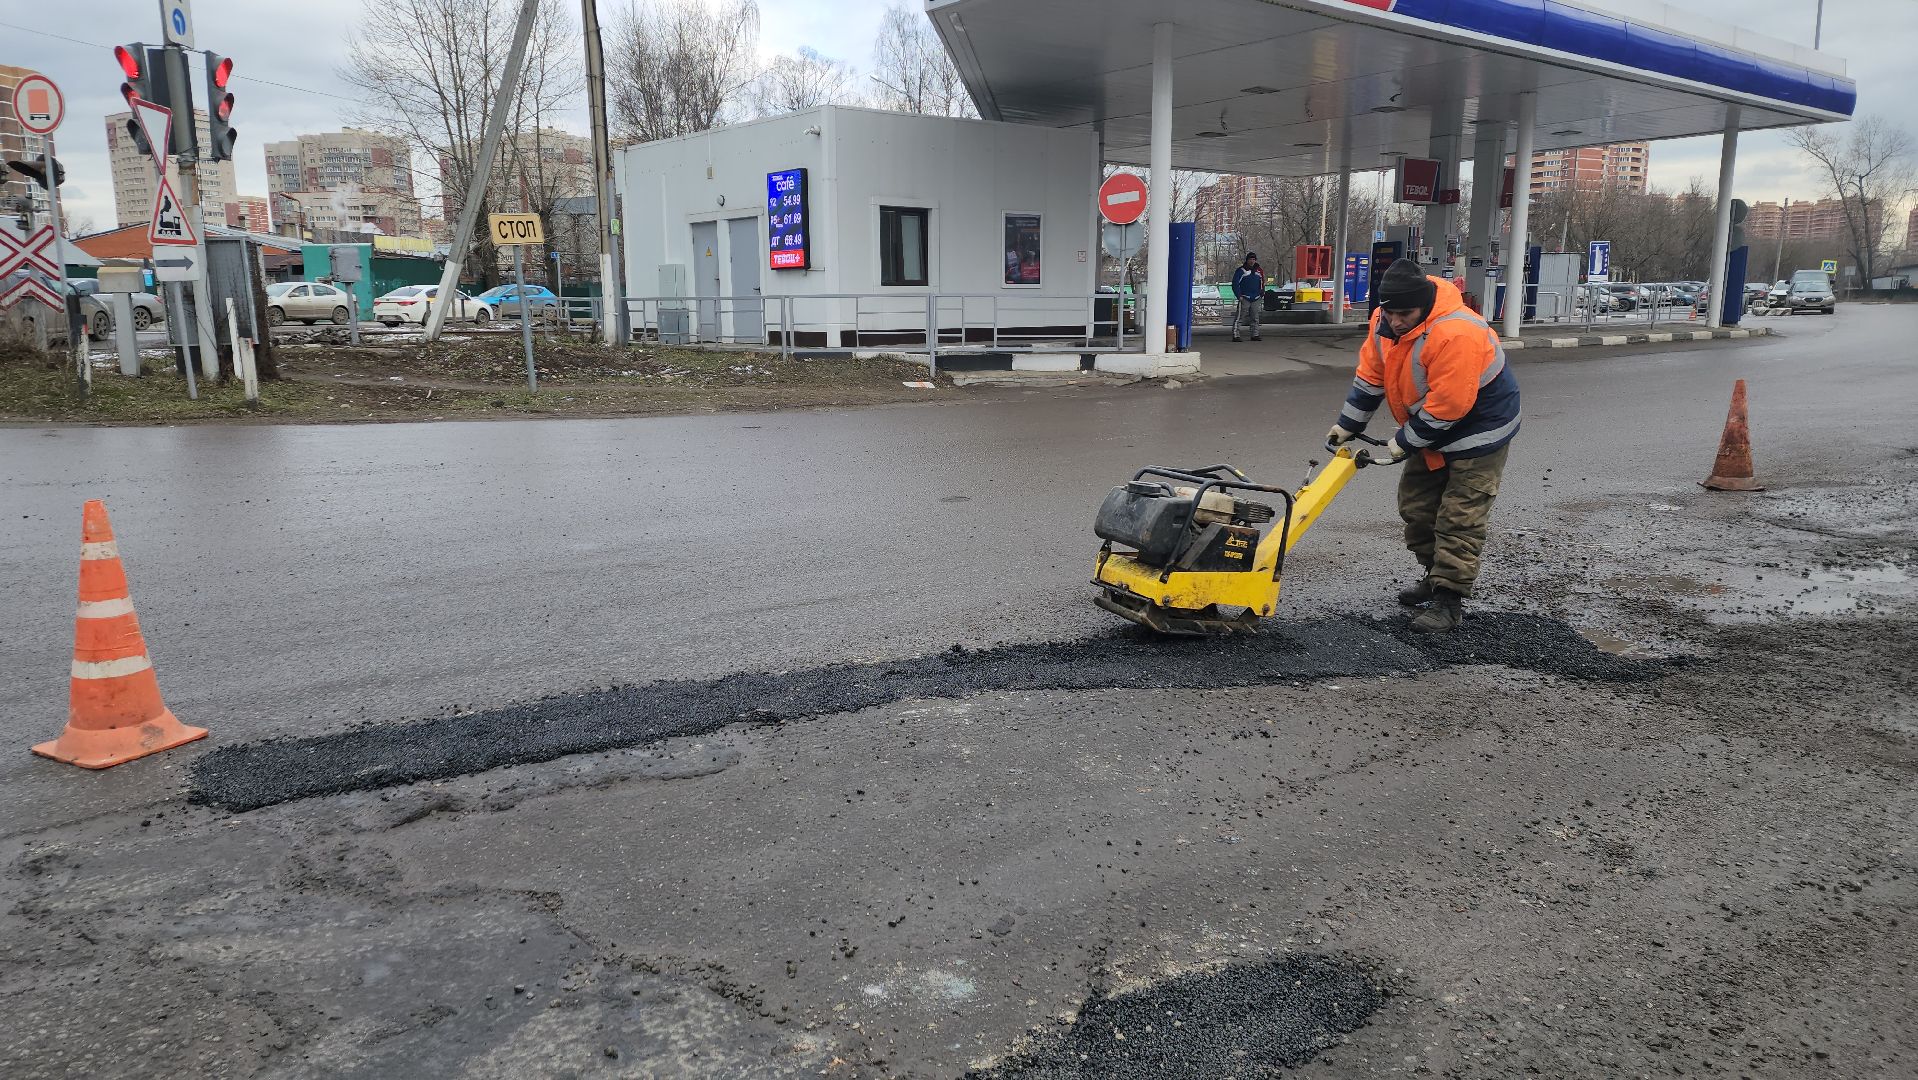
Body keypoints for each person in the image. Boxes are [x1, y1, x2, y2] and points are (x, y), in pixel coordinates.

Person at [1325, 258, 1521, 632]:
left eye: (1405, 314)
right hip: (1431, 425)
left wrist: (1405, 442)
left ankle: (1449, 600)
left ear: (1424, 305)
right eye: (1390, 312)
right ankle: (1434, 576)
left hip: (1480, 428)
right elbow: (1371, 377)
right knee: (1416, 506)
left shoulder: (1456, 332)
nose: (1396, 321)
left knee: (1459, 515)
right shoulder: (1384, 323)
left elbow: (1450, 404)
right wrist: (1348, 425)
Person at [1230, 253, 1263, 342]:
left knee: (1255, 317)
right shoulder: (1241, 271)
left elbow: (1262, 282)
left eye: (1253, 259)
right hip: (1244, 297)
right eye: (1250, 259)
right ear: (1247, 260)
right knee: (1240, 317)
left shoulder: (1259, 271)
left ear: (1255, 260)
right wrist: (1239, 295)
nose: (1252, 261)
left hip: (1256, 297)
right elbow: (1235, 284)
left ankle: (1255, 334)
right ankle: (1236, 335)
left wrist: (1261, 293)